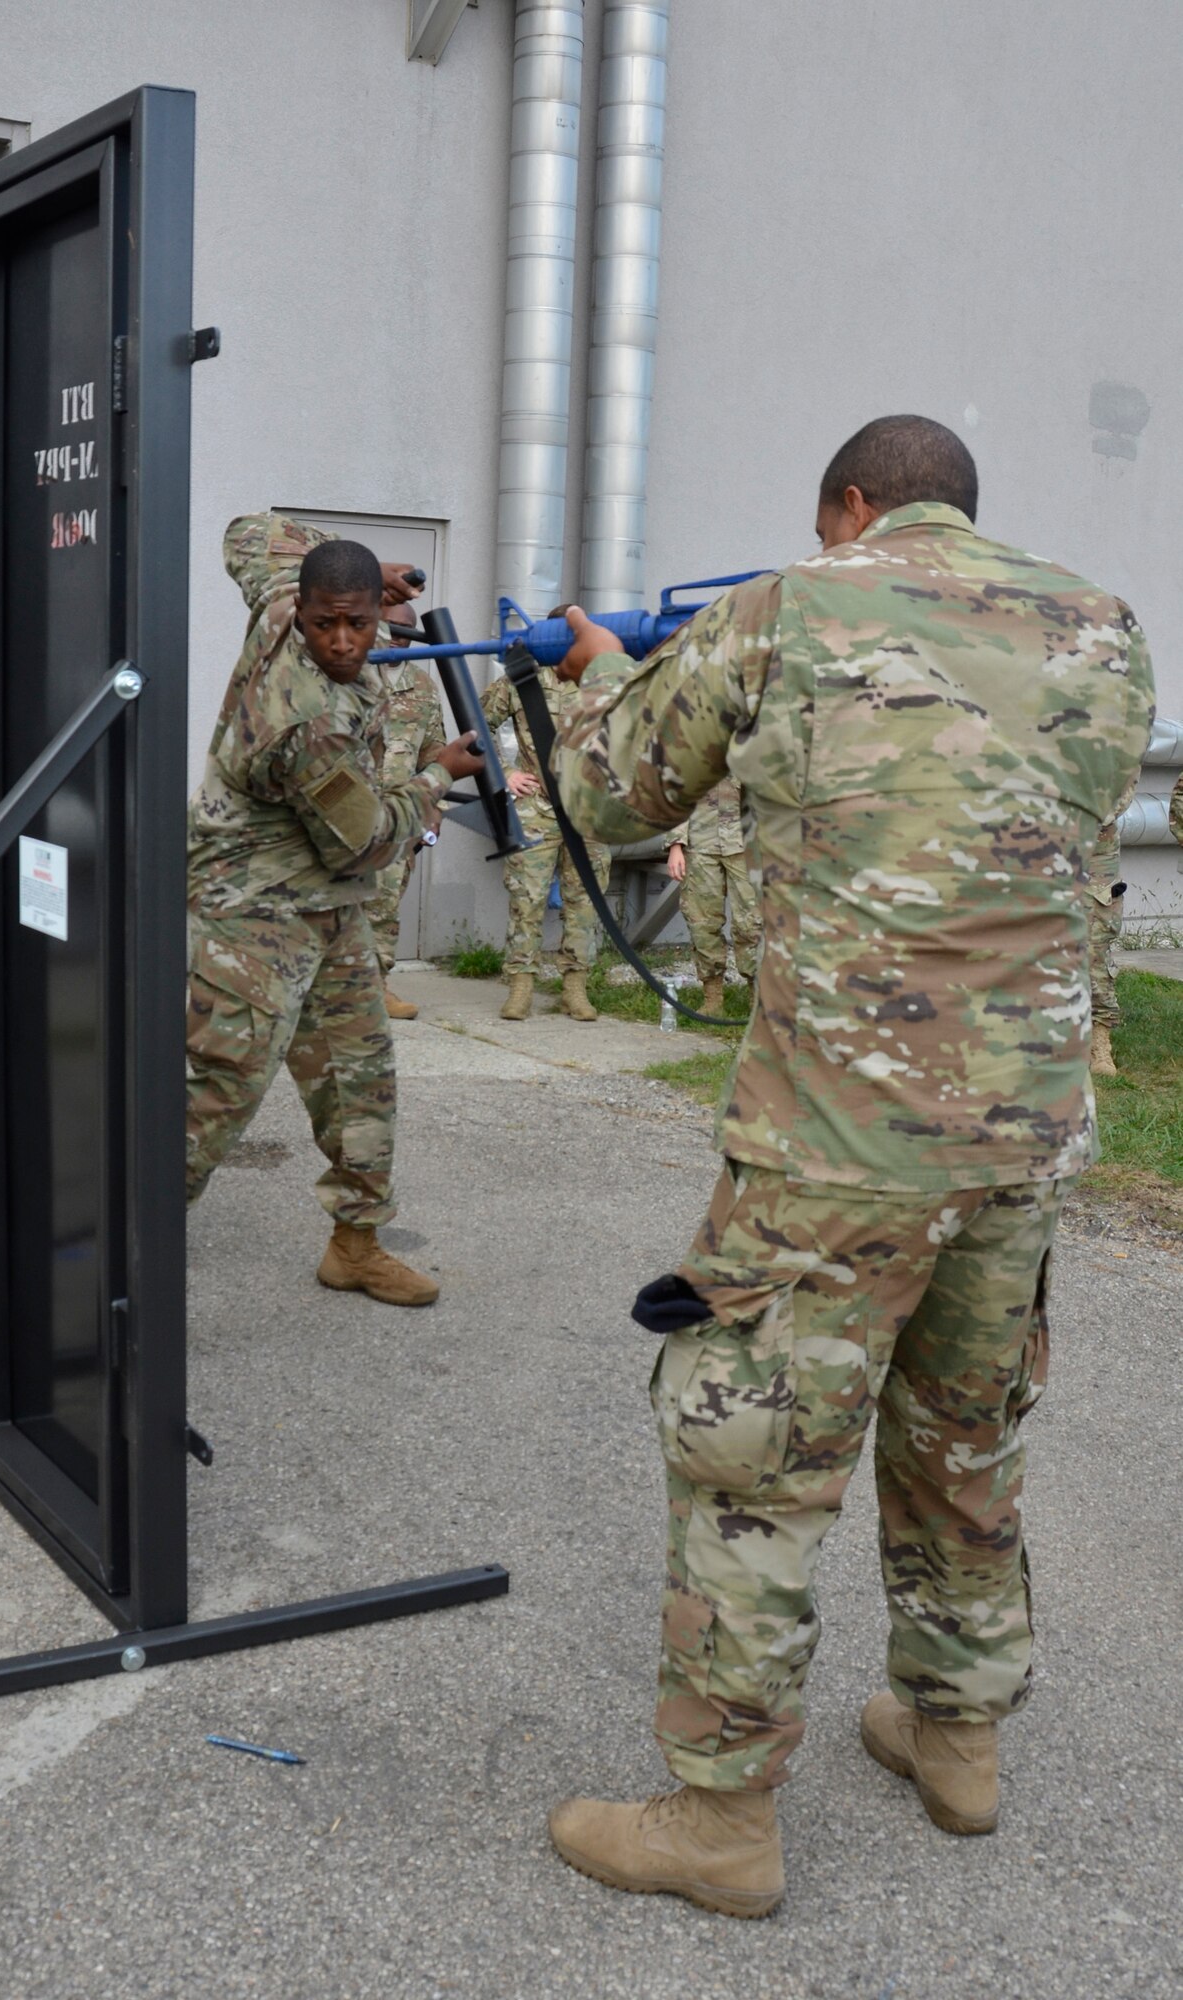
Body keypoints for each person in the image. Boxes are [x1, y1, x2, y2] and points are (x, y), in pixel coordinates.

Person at [544, 416, 1154, 1917]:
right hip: (1024, 1134)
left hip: (842, 1139)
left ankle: (719, 1821)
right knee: (964, 1435)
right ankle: (954, 1740)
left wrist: (594, 675)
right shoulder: (1102, 626)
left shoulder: (790, 603)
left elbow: (618, 798)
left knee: (755, 1457)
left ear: (851, 507)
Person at [185, 512, 483, 1306]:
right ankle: (99, 1253)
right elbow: (365, 843)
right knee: (216, 1091)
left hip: (330, 907)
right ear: (305, 615)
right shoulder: (304, 719)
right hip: (251, 908)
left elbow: (249, 528)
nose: (344, 643)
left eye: (359, 621)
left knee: (360, 1074)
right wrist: (439, 774)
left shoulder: (286, 593)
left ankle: (354, 1245)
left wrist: (364, 566)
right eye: (327, 626)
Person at [479, 645, 612, 1022]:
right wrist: (504, 774)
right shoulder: (522, 681)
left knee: (585, 901)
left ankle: (575, 988)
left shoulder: (602, 682)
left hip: (589, 811)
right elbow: (477, 723)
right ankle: (521, 987)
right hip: (537, 810)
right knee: (527, 899)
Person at [362, 606, 447, 1021]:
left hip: (399, 821)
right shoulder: (348, 676)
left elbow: (436, 757)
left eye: (405, 631)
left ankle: (375, 988)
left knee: (383, 909)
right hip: (344, 816)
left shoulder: (423, 687)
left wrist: (433, 812)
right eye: (390, 627)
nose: (396, 638)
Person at [665, 778, 761, 1014]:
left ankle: (759, 998)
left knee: (752, 923)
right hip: (700, 845)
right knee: (702, 923)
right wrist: (675, 845)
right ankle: (712, 998)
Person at [1086, 796, 1130, 1076]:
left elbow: (1125, 777)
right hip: (1030, 830)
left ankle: (1098, 1041)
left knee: (1095, 943)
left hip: (1095, 837)